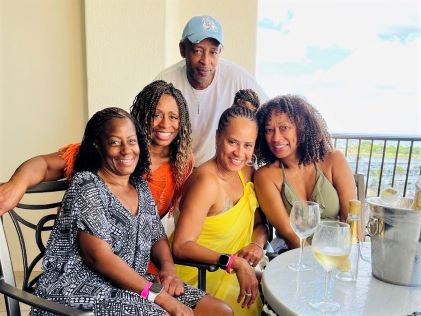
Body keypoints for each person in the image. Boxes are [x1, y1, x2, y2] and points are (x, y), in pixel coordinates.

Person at [30, 107, 232, 315]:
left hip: (131, 284)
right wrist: (161, 298)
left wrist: (168, 270)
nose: (126, 150)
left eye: (132, 141)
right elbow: (98, 258)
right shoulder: (87, 185)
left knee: (219, 311)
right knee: (164, 313)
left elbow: (157, 237)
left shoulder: (140, 186)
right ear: (97, 146)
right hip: (76, 288)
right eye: (115, 142)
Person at [0, 80, 192, 274]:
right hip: (90, 262)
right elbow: (45, 164)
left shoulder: (182, 163)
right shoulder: (110, 154)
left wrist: (167, 268)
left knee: (192, 301)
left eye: (173, 117)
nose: (165, 124)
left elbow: (153, 228)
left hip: (141, 261)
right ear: (143, 115)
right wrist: (17, 184)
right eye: (156, 115)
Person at [172, 106, 267, 316]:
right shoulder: (207, 182)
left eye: (247, 145)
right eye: (232, 142)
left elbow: (261, 224)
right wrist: (235, 262)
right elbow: (180, 246)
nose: (239, 153)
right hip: (199, 275)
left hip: (232, 274)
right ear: (217, 138)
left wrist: (256, 244)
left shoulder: (247, 173)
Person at [155, 15, 268, 166]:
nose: (205, 61)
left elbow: (269, 116)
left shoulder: (236, 77)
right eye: (197, 50)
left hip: (220, 168)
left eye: (213, 52)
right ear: (183, 49)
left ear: (220, 51)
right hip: (176, 167)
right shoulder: (166, 80)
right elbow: (146, 126)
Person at [253, 95, 356, 252]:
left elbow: (352, 218)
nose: (276, 137)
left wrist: (353, 256)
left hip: (338, 252)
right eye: (269, 130)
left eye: (284, 128)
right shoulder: (265, 176)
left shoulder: (333, 160)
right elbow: (288, 233)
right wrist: (314, 265)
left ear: (301, 126)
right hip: (294, 255)